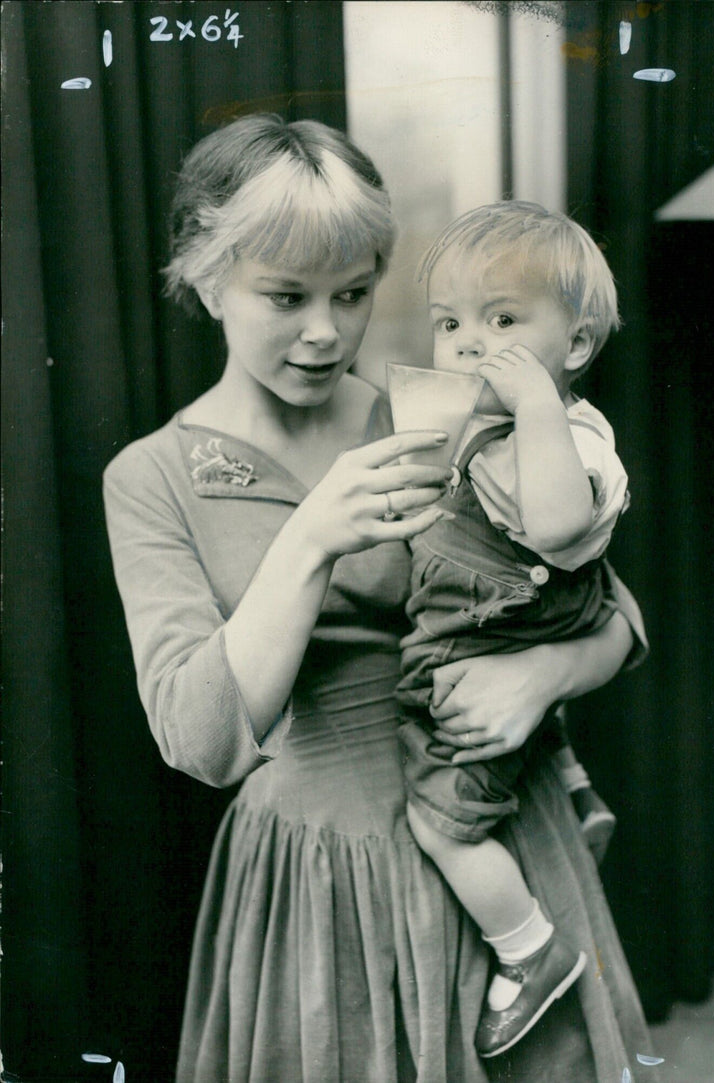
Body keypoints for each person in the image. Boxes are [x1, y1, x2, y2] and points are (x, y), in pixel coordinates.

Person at [103, 115, 656, 1082]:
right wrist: (311, 535)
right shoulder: (151, 478)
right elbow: (200, 740)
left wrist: (545, 671)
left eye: (353, 294)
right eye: (286, 296)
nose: (325, 330)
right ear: (204, 277)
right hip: (319, 873)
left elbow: (609, 607)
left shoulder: (436, 413)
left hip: (491, 830)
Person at [395, 201, 639, 1058]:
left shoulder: (573, 436)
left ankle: (530, 950)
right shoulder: (482, 425)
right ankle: (571, 783)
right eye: (450, 323)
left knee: (439, 816)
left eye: (502, 320)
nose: (469, 343)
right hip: (503, 622)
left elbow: (564, 527)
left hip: (496, 633)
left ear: (573, 347)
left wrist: (537, 410)